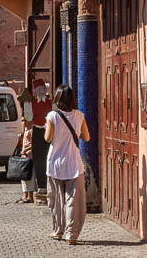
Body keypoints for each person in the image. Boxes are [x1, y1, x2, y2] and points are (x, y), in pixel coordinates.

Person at [44, 84, 91, 245]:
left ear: (57, 99)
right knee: (73, 201)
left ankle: (58, 231)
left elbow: (48, 138)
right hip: (74, 164)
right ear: (72, 99)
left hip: (55, 164)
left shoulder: (52, 116)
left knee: (57, 200)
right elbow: (86, 137)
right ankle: (71, 235)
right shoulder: (79, 115)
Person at [30, 78, 53, 204]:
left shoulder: (51, 102)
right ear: (35, 91)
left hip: (48, 130)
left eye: (43, 89)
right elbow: (28, 118)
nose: (41, 91)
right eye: (39, 89)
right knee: (38, 158)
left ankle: (50, 181)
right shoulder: (32, 103)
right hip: (37, 131)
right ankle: (41, 185)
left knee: (49, 155)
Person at [16, 115, 36, 204]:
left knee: (30, 177)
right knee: (23, 176)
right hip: (24, 156)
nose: (23, 122)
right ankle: (24, 195)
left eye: (24, 120)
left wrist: (25, 150)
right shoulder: (25, 131)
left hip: (29, 156)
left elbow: (33, 144)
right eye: (22, 121)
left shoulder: (32, 130)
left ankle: (30, 196)